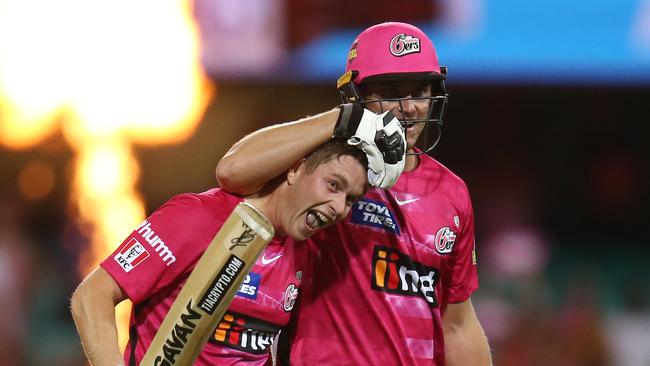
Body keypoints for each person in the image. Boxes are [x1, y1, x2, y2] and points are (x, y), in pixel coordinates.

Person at [216, 22, 492, 365]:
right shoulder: (320, 170)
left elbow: (458, 325)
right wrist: (338, 122)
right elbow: (232, 171)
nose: (408, 108)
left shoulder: (451, 192)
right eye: (391, 91)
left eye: (420, 92)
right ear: (356, 98)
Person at [70, 118, 407, 366]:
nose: (338, 207)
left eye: (350, 199)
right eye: (333, 185)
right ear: (294, 169)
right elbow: (92, 295)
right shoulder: (198, 218)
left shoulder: (305, 251)